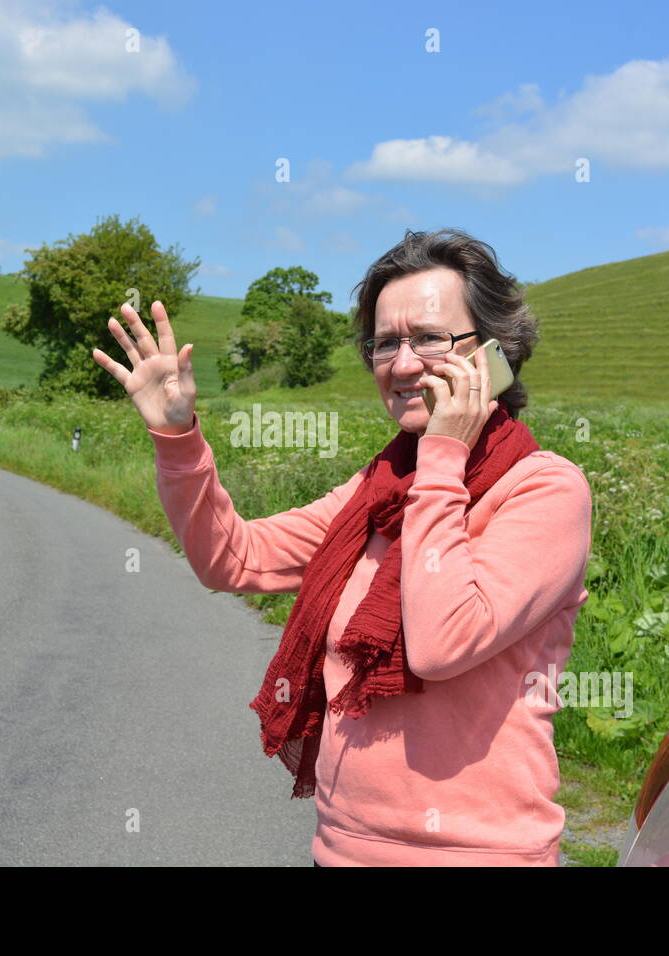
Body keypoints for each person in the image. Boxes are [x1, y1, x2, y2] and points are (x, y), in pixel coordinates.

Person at [92, 228, 593, 866]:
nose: (404, 364)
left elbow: (444, 644)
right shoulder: (377, 493)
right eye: (385, 343)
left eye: (432, 338)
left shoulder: (544, 490)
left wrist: (443, 453)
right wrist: (178, 438)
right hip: (341, 850)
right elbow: (233, 558)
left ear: (498, 350)